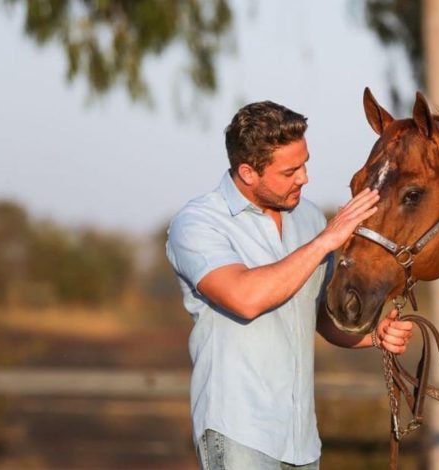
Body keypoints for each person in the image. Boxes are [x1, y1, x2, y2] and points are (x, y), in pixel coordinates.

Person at [166, 101, 413, 469]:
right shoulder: (199, 223)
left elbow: (321, 319)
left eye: (305, 163)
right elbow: (245, 297)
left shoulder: (309, 218)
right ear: (248, 173)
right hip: (238, 434)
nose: (304, 178)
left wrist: (375, 334)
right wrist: (325, 242)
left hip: (302, 442)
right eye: (290, 171)